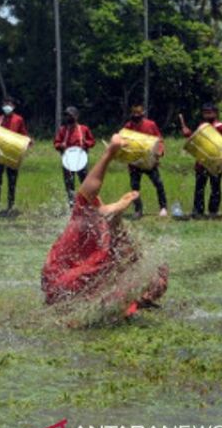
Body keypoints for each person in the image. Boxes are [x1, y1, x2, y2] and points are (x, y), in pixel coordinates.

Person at [41, 134, 168, 322]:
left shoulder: (93, 229)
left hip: (57, 286)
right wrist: (109, 155)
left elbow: (92, 200)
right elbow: (90, 196)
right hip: (70, 288)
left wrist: (110, 155)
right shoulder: (91, 227)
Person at [180, 104, 222, 217]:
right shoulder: (202, 126)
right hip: (202, 162)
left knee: (215, 187)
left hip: (217, 162)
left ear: (215, 113)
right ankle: (198, 211)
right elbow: (196, 140)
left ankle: (213, 211)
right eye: (205, 112)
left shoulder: (221, 127)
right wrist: (188, 134)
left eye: (210, 112)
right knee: (199, 187)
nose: (207, 115)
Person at [123, 104, 167, 218]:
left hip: (149, 160)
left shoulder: (150, 124)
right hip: (134, 162)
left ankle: (163, 208)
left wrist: (160, 152)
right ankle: (138, 210)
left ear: (143, 113)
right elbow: (122, 140)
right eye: (134, 113)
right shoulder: (128, 126)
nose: (136, 115)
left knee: (158, 184)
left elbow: (159, 139)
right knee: (135, 186)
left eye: (138, 113)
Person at [53, 106, 95, 206]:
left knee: (85, 184)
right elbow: (56, 143)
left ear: (76, 116)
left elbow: (92, 141)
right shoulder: (62, 130)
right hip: (67, 162)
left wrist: (86, 143)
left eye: (70, 115)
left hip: (81, 161)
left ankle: (87, 205)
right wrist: (60, 145)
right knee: (69, 186)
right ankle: (72, 206)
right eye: (66, 115)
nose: (68, 117)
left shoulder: (83, 129)